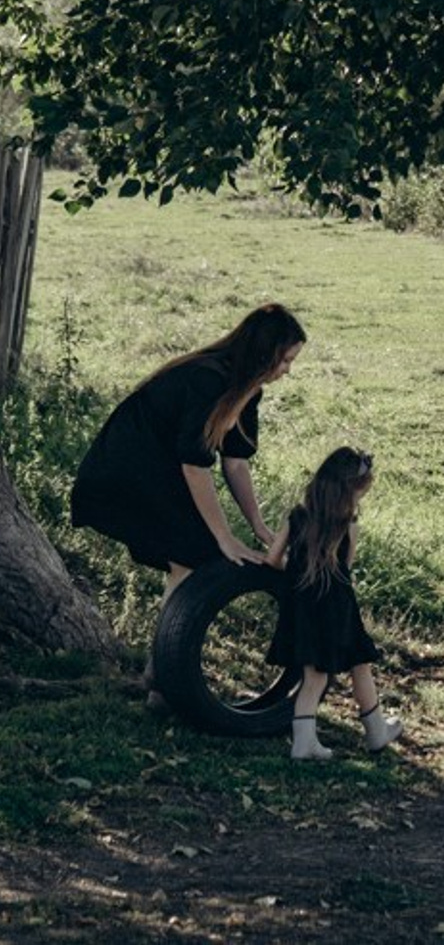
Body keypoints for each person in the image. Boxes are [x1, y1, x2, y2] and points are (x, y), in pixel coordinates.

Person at [71, 304, 307, 618]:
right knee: (198, 554)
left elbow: (235, 462)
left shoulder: (248, 391)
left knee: (195, 557)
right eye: (286, 360)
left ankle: (162, 662)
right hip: (123, 470)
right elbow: (194, 466)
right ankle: (166, 660)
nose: (287, 370)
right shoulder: (206, 379)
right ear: (264, 353)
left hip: (160, 471)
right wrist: (225, 537)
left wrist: (258, 526)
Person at [265, 446, 402, 760]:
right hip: (338, 606)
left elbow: (273, 559)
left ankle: (307, 741)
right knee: (358, 663)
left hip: (302, 605)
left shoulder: (298, 516)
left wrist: (296, 570)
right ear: (350, 491)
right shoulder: (347, 524)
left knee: (314, 675)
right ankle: (374, 732)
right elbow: (346, 568)